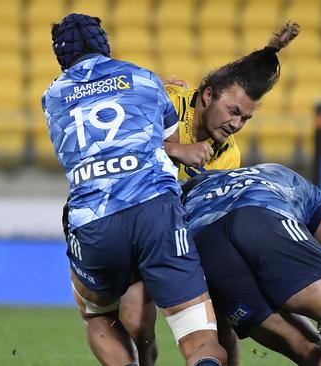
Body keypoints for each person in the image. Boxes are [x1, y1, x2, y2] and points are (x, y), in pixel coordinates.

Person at [110, 22, 301, 365]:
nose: (236, 124)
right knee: (137, 323)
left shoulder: (228, 155)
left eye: (245, 119)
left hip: (183, 235)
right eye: (233, 111)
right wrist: (174, 149)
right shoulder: (167, 99)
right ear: (208, 95)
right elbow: (119, 140)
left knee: (223, 316)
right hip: (136, 225)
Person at [43, 13, 226, 366]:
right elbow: (172, 144)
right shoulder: (142, 77)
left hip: (93, 220)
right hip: (154, 209)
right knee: (199, 336)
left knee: (98, 316)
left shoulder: (52, 96)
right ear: (104, 45)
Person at [181, 164, 321, 366]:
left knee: (307, 348)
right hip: (261, 219)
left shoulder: (176, 201)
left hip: (208, 250)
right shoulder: (275, 172)